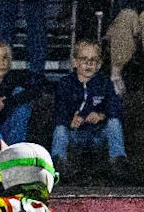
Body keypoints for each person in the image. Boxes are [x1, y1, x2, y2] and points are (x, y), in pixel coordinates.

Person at [51, 40, 129, 181]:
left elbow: (114, 104)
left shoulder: (105, 83)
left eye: (93, 60)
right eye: (83, 59)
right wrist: (70, 120)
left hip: (96, 134)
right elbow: (59, 108)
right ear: (75, 62)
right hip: (75, 134)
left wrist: (101, 115)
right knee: (60, 130)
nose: (88, 64)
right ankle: (57, 164)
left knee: (114, 124)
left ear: (99, 65)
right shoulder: (65, 83)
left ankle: (118, 162)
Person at [0, 40, 46, 144]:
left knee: (20, 97)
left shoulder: (15, 78)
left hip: (9, 131)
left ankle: (15, 153)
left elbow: (40, 86)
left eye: (5, 58)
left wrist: (5, 103)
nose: (1, 62)